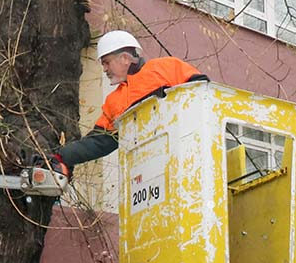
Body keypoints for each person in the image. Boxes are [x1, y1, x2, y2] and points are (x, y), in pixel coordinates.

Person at [54, 30, 207, 172]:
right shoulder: (113, 101)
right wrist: (62, 157)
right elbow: (98, 142)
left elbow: (203, 93)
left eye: (107, 62)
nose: (105, 69)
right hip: (147, 168)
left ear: (125, 58)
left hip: (187, 153)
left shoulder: (166, 67)